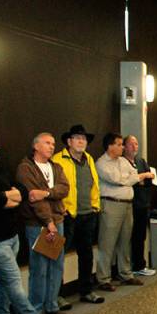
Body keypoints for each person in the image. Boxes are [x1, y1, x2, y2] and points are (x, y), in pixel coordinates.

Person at [0, 133, 59, 314]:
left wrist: (8, 197)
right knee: (14, 283)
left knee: (3, 282)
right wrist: (7, 197)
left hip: (12, 236)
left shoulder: (0, 171)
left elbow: (21, 192)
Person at [16, 132, 71, 314]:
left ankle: (52, 305)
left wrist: (46, 193)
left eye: (53, 143)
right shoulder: (26, 169)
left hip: (57, 221)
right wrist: (48, 223)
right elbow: (33, 199)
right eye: (47, 143)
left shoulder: (55, 167)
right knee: (40, 268)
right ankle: (36, 310)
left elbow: (65, 188)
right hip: (38, 224)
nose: (51, 146)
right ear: (36, 146)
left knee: (56, 265)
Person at [54, 124, 105, 303]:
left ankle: (86, 291)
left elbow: (94, 184)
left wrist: (95, 206)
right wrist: (63, 209)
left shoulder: (89, 159)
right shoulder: (58, 160)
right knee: (58, 256)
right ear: (69, 141)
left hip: (87, 214)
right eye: (77, 138)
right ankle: (57, 295)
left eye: (83, 139)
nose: (81, 142)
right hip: (67, 216)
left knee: (86, 255)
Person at [95, 133, 151, 289]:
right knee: (107, 243)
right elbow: (118, 180)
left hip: (127, 205)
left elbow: (132, 175)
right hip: (111, 205)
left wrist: (130, 178)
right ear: (109, 146)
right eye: (119, 144)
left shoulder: (123, 161)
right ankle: (104, 279)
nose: (122, 147)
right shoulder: (101, 163)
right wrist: (131, 178)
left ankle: (125, 274)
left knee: (125, 241)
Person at [123, 135, 156, 277]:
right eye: (131, 144)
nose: (135, 146)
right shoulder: (122, 162)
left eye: (136, 144)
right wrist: (142, 178)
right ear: (124, 146)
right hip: (130, 204)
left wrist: (142, 179)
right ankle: (129, 266)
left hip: (143, 203)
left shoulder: (141, 161)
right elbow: (129, 181)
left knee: (141, 235)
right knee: (129, 237)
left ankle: (139, 265)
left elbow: (150, 179)